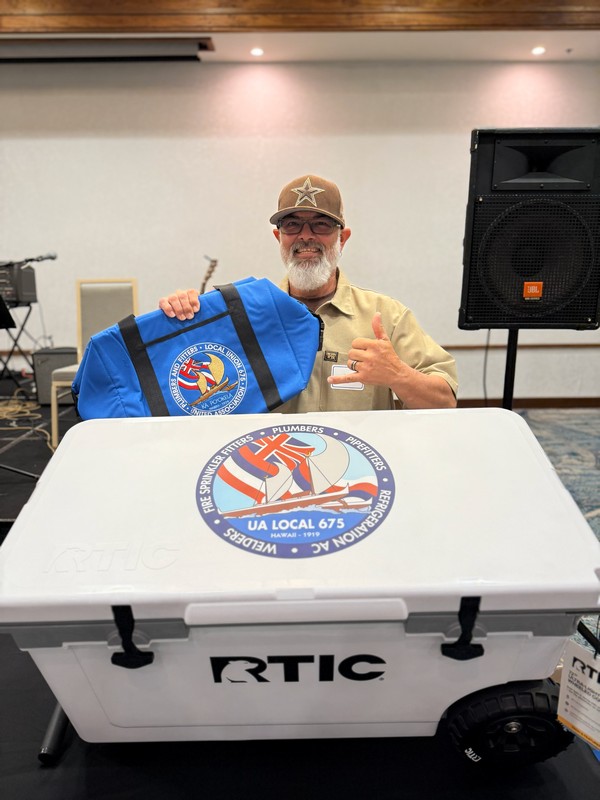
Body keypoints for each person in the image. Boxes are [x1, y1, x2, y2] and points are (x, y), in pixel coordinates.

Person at [159, 174, 458, 413]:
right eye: (292, 225)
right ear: (278, 237)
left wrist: (397, 375)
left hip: (359, 469)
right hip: (267, 467)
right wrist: (181, 319)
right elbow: (185, 386)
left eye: (321, 225)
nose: (305, 235)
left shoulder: (386, 316)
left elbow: (444, 402)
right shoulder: (243, 315)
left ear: (343, 238)